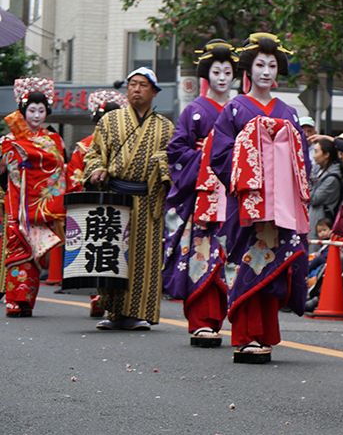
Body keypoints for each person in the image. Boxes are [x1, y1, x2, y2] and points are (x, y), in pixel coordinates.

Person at [210, 33, 310, 364]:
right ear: (248, 71)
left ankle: (265, 333)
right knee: (249, 260)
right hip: (250, 202)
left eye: (271, 65)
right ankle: (245, 335)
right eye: (259, 65)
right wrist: (247, 174)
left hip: (281, 204)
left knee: (275, 264)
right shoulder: (235, 109)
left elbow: (302, 158)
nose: (266, 71)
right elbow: (219, 153)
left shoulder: (288, 110)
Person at [84, 67, 174, 331]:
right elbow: (94, 153)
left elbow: (175, 158)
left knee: (144, 258)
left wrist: (162, 165)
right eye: (132, 84)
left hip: (147, 199)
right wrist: (97, 169)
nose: (136, 89)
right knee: (113, 255)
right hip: (115, 196)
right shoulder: (110, 121)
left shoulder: (165, 127)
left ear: (154, 92)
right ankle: (112, 311)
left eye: (143, 85)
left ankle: (139, 313)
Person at [162, 40, 238, 347]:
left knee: (228, 256)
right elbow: (176, 150)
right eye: (216, 71)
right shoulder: (194, 110)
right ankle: (201, 321)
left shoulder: (239, 108)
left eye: (228, 72)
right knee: (201, 254)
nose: (222, 77)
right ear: (207, 74)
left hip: (232, 192)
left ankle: (219, 318)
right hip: (204, 193)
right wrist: (207, 154)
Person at [1, 77, 66, 317]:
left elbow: (59, 169)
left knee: (35, 254)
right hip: (15, 202)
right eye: (31, 110)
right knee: (16, 251)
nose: (37, 115)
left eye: (41, 110)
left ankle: (27, 300)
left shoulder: (54, 140)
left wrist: (32, 154)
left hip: (39, 205)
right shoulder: (9, 141)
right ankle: (13, 301)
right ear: (23, 111)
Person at [66, 88, 127, 318]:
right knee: (98, 253)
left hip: (120, 204)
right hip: (93, 206)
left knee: (116, 253)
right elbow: (73, 178)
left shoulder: (124, 144)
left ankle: (116, 301)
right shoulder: (84, 147)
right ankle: (98, 297)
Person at [308, 137, 343, 239]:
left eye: (316, 152)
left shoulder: (332, 178)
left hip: (321, 225)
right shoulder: (318, 170)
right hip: (314, 221)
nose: (314, 156)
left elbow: (314, 199)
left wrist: (308, 185)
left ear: (326, 155)